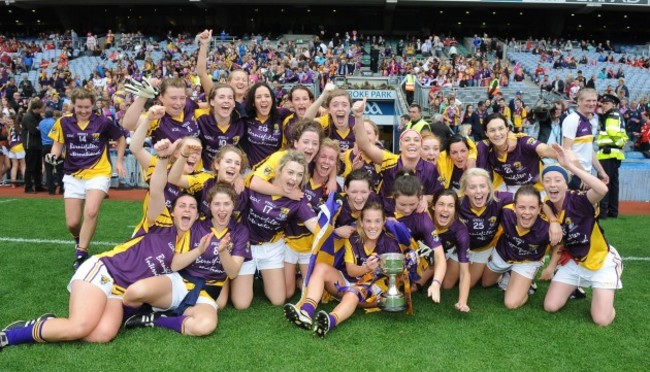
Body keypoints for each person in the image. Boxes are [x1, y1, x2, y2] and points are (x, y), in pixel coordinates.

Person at [0, 140, 198, 349]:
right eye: (182, 205)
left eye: (193, 207)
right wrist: (164, 158)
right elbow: (158, 188)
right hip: (105, 270)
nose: (187, 210)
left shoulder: (186, 241)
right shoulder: (158, 223)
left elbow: (177, 264)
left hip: (119, 291)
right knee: (78, 327)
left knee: (101, 334)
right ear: (173, 211)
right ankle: (10, 335)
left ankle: (48, 323)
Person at [122, 182, 250, 336]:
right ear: (210, 206)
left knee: (205, 326)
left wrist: (223, 252)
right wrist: (199, 250)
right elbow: (175, 265)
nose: (222, 209)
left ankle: (156, 318)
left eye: (226, 204)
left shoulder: (240, 232)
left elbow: (233, 272)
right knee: (134, 292)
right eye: (217, 204)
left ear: (233, 205)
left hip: (207, 293)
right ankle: (134, 313)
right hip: (180, 283)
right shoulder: (196, 226)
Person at [283, 202, 401, 338]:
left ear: (383, 222)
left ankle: (330, 321)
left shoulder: (390, 243)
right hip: (347, 281)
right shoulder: (353, 238)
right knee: (321, 268)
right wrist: (367, 267)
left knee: (354, 292)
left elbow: (397, 275)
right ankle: (306, 312)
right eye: (368, 221)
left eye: (377, 221)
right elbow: (350, 271)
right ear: (361, 222)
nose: (372, 226)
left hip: (371, 290)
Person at [541, 145, 622, 327]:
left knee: (601, 320)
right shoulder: (547, 205)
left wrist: (570, 166)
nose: (552, 184)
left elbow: (602, 189)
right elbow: (560, 239)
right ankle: (577, 287)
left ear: (566, 182)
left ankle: (607, 293)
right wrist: (551, 266)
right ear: (543, 184)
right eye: (547, 180)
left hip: (600, 261)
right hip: (575, 263)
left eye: (557, 180)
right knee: (550, 306)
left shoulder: (579, 200)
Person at [46, 88, 126, 270]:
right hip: (73, 174)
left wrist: (119, 161)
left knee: (90, 212)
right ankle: (78, 239)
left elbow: (121, 138)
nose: (83, 110)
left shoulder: (103, 122)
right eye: (79, 107)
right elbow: (57, 146)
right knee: (72, 222)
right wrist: (52, 156)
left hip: (99, 173)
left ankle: (81, 253)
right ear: (73, 105)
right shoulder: (63, 122)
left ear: (93, 105)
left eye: (87, 107)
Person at [231, 151, 318, 308]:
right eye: (290, 172)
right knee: (241, 304)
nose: (294, 179)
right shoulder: (258, 184)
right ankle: (244, 277)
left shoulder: (298, 199)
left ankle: (266, 275)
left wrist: (332, 232)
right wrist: (237, 178)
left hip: (271, 248)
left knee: (278, 300)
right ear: (280, 170)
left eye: (299, 175)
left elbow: (315, 226)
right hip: (246, 247)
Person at [353, 99, 443, 213]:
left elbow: (437, 195)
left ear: (421, 146)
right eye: (407, 140)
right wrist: (358, 116)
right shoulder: (389, 160)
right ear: (400, 146)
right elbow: (364, 145)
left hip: (415, 219)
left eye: (416, 140)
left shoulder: (430, 168)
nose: (411, 142)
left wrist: (425, 198)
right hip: (387, 218)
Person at [481, 185, 550, 309]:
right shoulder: (505, 212)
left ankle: (526, 282)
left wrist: (551, 267)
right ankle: (509, 274)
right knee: (486, 283)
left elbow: (559, 245)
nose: (527, 212)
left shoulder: (548, 227)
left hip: (528, 260)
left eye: (532, 208)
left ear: (540, 208)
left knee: (511, 303)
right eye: (522, 207)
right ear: (514, 207)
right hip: (504, 252)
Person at [387, 171, 447, 294]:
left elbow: (439, 256)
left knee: (431, 253)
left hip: (410, 255)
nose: (407, 209)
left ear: (420, 199)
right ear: (393, 197)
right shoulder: (382, 205)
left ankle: (416, 283)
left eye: (412, 204)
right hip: (383, 251)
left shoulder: (422, 217)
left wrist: (436, 283)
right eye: (402, 204)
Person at [427, 189, 471, 312]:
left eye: (450, 206)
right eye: (441, 204)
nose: (445, 209)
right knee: (414, 287)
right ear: (433, 206)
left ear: (455, 210)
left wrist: (462, 302)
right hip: (427, 254)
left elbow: (465, 272)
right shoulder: (425, 218)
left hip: (448, 253)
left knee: (447, 285)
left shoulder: (460, 231)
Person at [123, 77, 202, 145]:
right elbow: (128, 125)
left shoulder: (189, 104)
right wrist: (143, 96)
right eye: (173, 98)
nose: (179, 103)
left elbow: (211, 105)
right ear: (161, 98)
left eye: (182, 98)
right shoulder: (156, 116)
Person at [561, 88, 608, 190]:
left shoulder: (587, 121)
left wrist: (601, 171)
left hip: (585, 174)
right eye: (588, 100)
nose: (591, 104)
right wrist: (583, 174)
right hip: (575, 175)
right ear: (579, 102)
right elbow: (567, 150)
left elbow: (589, 149)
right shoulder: (572, 120)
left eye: (594, 100)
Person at [595, 94, 628, 219]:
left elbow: (612, 132)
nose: (604, 106)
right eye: (603, 104)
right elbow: (621, 136)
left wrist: (614, 144)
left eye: (606, 104)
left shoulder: (612, 116)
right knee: (613, 184)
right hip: (615, 154)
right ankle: (613, 212)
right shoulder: (617, 115)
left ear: (614, 105)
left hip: (607, 153)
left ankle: (602, 213)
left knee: (604, 182)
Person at [21, 98, 45, 193]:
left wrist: (40, 128)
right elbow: (34, 131)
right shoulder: (28, 117)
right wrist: (40, 128)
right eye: (42, 108)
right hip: (30, 145)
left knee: (38, 167)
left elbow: (40, 127)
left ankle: (38, 185)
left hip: (38, 145)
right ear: (37, 108)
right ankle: (28, 187)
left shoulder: (37, 116)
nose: (43, 110)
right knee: (30, 167)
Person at [40, 109, 63, 195]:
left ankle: (51, 189)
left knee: (48, 169)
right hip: (54, 146)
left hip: (45, 146)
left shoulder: (41, 122)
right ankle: (61, 188)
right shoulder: (54, 122)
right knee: (60, 168)